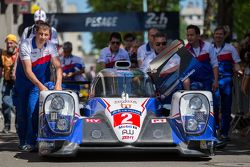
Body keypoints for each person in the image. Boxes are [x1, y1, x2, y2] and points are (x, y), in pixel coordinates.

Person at [14, 22, 62, 152]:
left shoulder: (51, 46)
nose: (43, 37)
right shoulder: (25, 44)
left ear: (49, 35)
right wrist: (40, 85)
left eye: (46, 34)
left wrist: (58, 84)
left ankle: (33, 141)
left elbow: (58, 67)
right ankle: (22, 141)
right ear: (36, 32)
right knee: (22, 114)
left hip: (39, 84)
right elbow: (28, 71)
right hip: (24, 83)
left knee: (33, 111)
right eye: (41, 33)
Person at [211, 26, 242, 141]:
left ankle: (224, 133)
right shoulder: (209, 48)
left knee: (226, 108)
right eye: (216, 34)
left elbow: (236, 63)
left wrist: (240, 72)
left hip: (227, 80)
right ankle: (215, 129)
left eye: (220, 34)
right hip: (214, 80)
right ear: (214, 35)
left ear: (224, 36)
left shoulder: (230, 48)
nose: (218, 36)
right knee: (214, 106)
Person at [182, 25, 219, 91]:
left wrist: (216, 81)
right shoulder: (185, 50)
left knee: (213, 99)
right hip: (192, 83)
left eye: (191, 35)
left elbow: (215, 64)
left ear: (198, 36)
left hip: (208, 81)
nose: (189, 37)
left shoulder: (208, 46)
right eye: (188, 35)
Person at [0, 34, 18, 134]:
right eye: (7, 43)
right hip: (7, 82)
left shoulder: (20, 53)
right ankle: (7, 125)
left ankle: (17, 126)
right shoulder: (2, 54)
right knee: (5, 102)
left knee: (18, 104)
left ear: (15, 44)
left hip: (18, 83)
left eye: (11, 43)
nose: (9, 45)